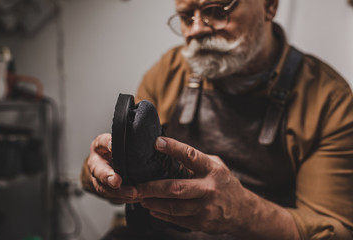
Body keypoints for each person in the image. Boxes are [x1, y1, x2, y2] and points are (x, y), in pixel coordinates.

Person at [81, 0, 353, 239]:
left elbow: (335, 231)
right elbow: (117, 170)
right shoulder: (171, 69)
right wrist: (105, 168)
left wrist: (245, 213)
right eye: (187, 16)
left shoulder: (328, 99)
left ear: (269, 5)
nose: (197, 29)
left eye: (217, 9)